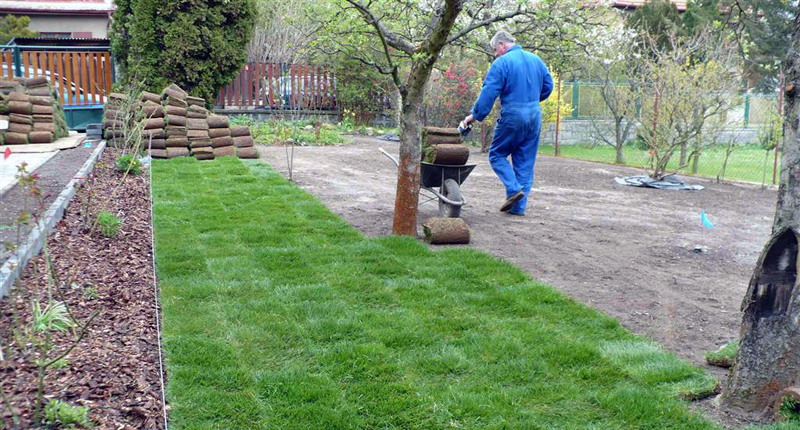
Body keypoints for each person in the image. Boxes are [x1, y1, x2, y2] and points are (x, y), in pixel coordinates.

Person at [462, 31, 553, 216]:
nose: (496, 53)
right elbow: (548, 86)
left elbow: (488, 93)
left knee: (497, 155)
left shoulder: (502, 63)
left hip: (513, 114)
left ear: (502, 44)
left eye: (496, 49)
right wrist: (532, 101)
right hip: (535, 115)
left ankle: (513, 190)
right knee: (525, 163)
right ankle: (518, 209)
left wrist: (474, 116)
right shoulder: (536, 60)